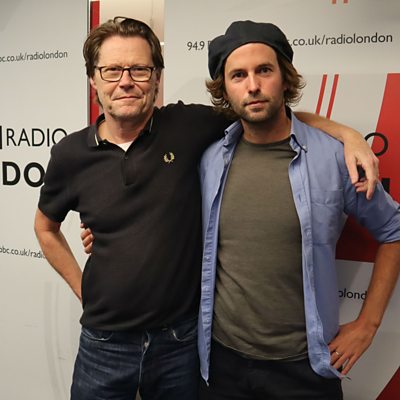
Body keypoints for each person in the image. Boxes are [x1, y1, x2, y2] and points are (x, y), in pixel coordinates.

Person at [34, 17, 379, 400]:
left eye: (140, 69)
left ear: (157, 77)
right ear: (93, 79)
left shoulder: (189, 127)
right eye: (112, 70)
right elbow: (45, 228)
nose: (126, 81)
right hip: (109, 345)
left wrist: (348, 136)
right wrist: (84, 288)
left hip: (181, 345)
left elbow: (267, 112)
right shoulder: (71, 154)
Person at [198, 20, 400, 400]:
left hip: (304, 371)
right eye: (238, 75)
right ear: (224, 88)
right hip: (222, 367)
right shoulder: (210, 159)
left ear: (285, 78)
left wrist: (369, 324)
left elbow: (394, 230)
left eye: (264, 70)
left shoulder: (333, 157)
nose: (253, 86)